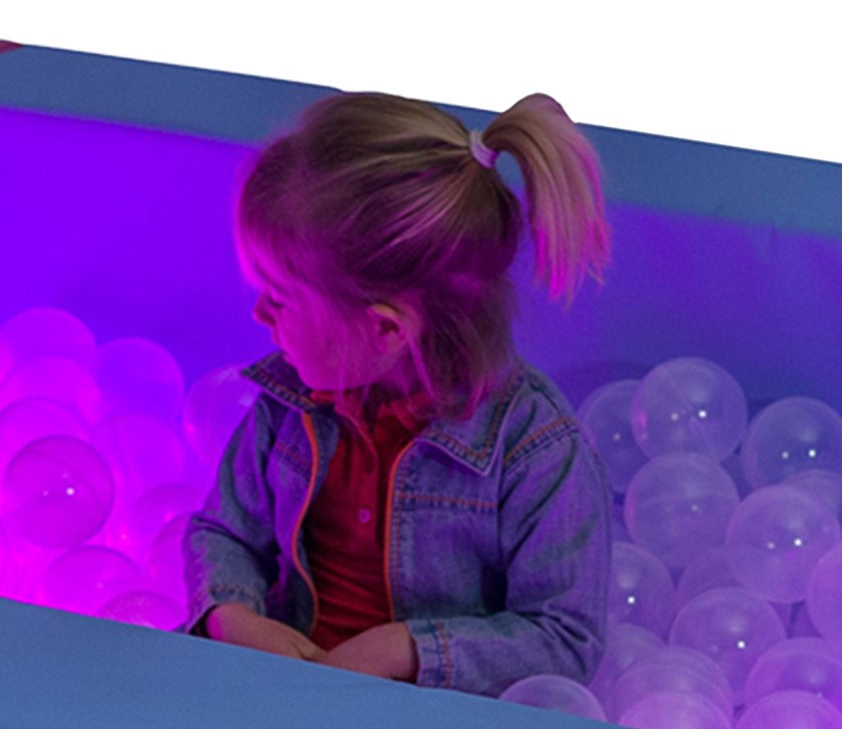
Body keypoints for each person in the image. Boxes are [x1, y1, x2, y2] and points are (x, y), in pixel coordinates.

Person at [180, 90, 613, 694]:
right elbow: (224, 530)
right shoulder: (289, 404)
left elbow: (565, 638)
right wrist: (234, 617)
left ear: (385, 329)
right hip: (280, 686)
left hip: (429, 718)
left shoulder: (534, 450)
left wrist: (403, 650)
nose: (257, 313)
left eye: (279, 298)